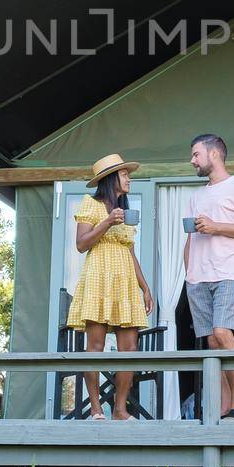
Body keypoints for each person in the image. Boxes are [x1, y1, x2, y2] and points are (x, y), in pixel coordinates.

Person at [65, 152, 154, 420]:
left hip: (125, 282)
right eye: (125, 174)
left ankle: (119, 409)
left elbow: (130, 252)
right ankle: (94, 408)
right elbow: (81, 244)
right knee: (95, 347)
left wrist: (145, 287)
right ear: (110, 178)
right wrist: (106, 221)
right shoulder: (90, 204)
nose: (129, 179)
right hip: (98, 279)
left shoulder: (126, 213)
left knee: (130, 348)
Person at [183, 133, 234, 419]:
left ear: (214, 154)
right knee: (212, 342)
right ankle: (220, 410)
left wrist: (217, 227)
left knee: (222, 332)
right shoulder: (196, 196)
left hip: (229, 271)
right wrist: (188, 273)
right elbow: (190, 239)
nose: (192, 160)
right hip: (197, 277)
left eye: (196, 154)